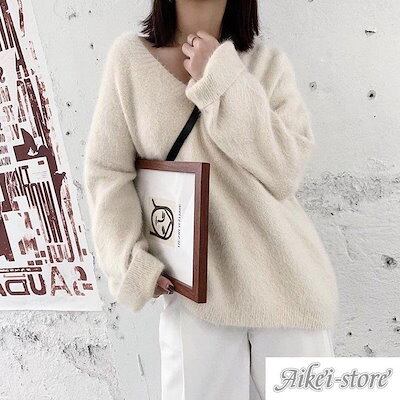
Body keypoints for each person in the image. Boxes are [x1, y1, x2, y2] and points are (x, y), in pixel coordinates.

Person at [83, 0, 340, 399]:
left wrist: (220, 75)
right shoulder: (130, 60)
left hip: (288, 289)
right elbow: (107, 172)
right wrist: (130, 261)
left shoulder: (267, 65)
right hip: (194, 298)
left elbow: (285, 170)